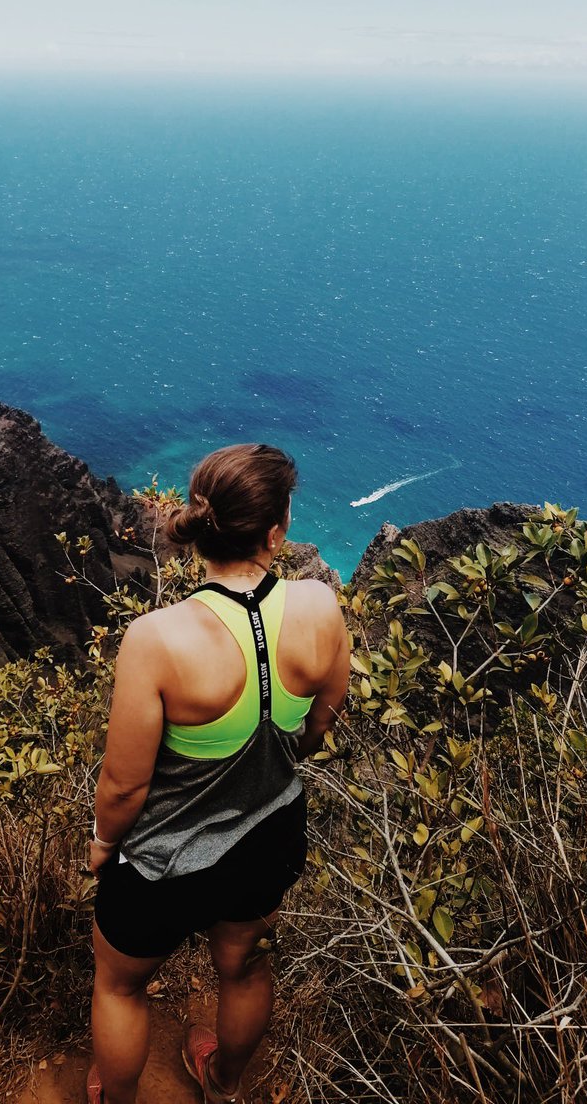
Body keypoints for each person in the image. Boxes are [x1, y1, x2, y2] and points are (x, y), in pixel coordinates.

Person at [87, 443, 350, 1104]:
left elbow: (123, 787)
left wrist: (101, 843)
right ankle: (226, 1084)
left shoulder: (158, 638)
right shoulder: (320, 608)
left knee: (120, 983)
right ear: (276, 530)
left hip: (165, 860)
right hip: (269, 836)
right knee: (242, 969)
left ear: (201, 524)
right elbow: (323, 718)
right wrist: (289, 755)